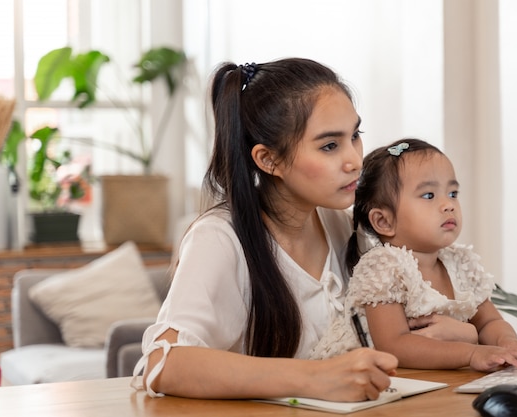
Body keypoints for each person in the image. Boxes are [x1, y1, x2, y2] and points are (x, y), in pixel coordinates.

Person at [131, 58, 398, 401]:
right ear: (268, 159)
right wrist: (313, 378)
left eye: (355, 136)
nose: (354, 160)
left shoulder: (340, 225)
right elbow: (163, 364)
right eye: (330, 145)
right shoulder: (219, 238)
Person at [310, 138, 517, 371]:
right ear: (384, 221)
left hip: (423, 380)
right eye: (429, 195)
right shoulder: (384, 266)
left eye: (452, 193)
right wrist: (472, 354)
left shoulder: (460, 262)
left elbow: (489, 322)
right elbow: (394, 345)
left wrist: (508, 343)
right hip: (353, 382)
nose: (448, 204)